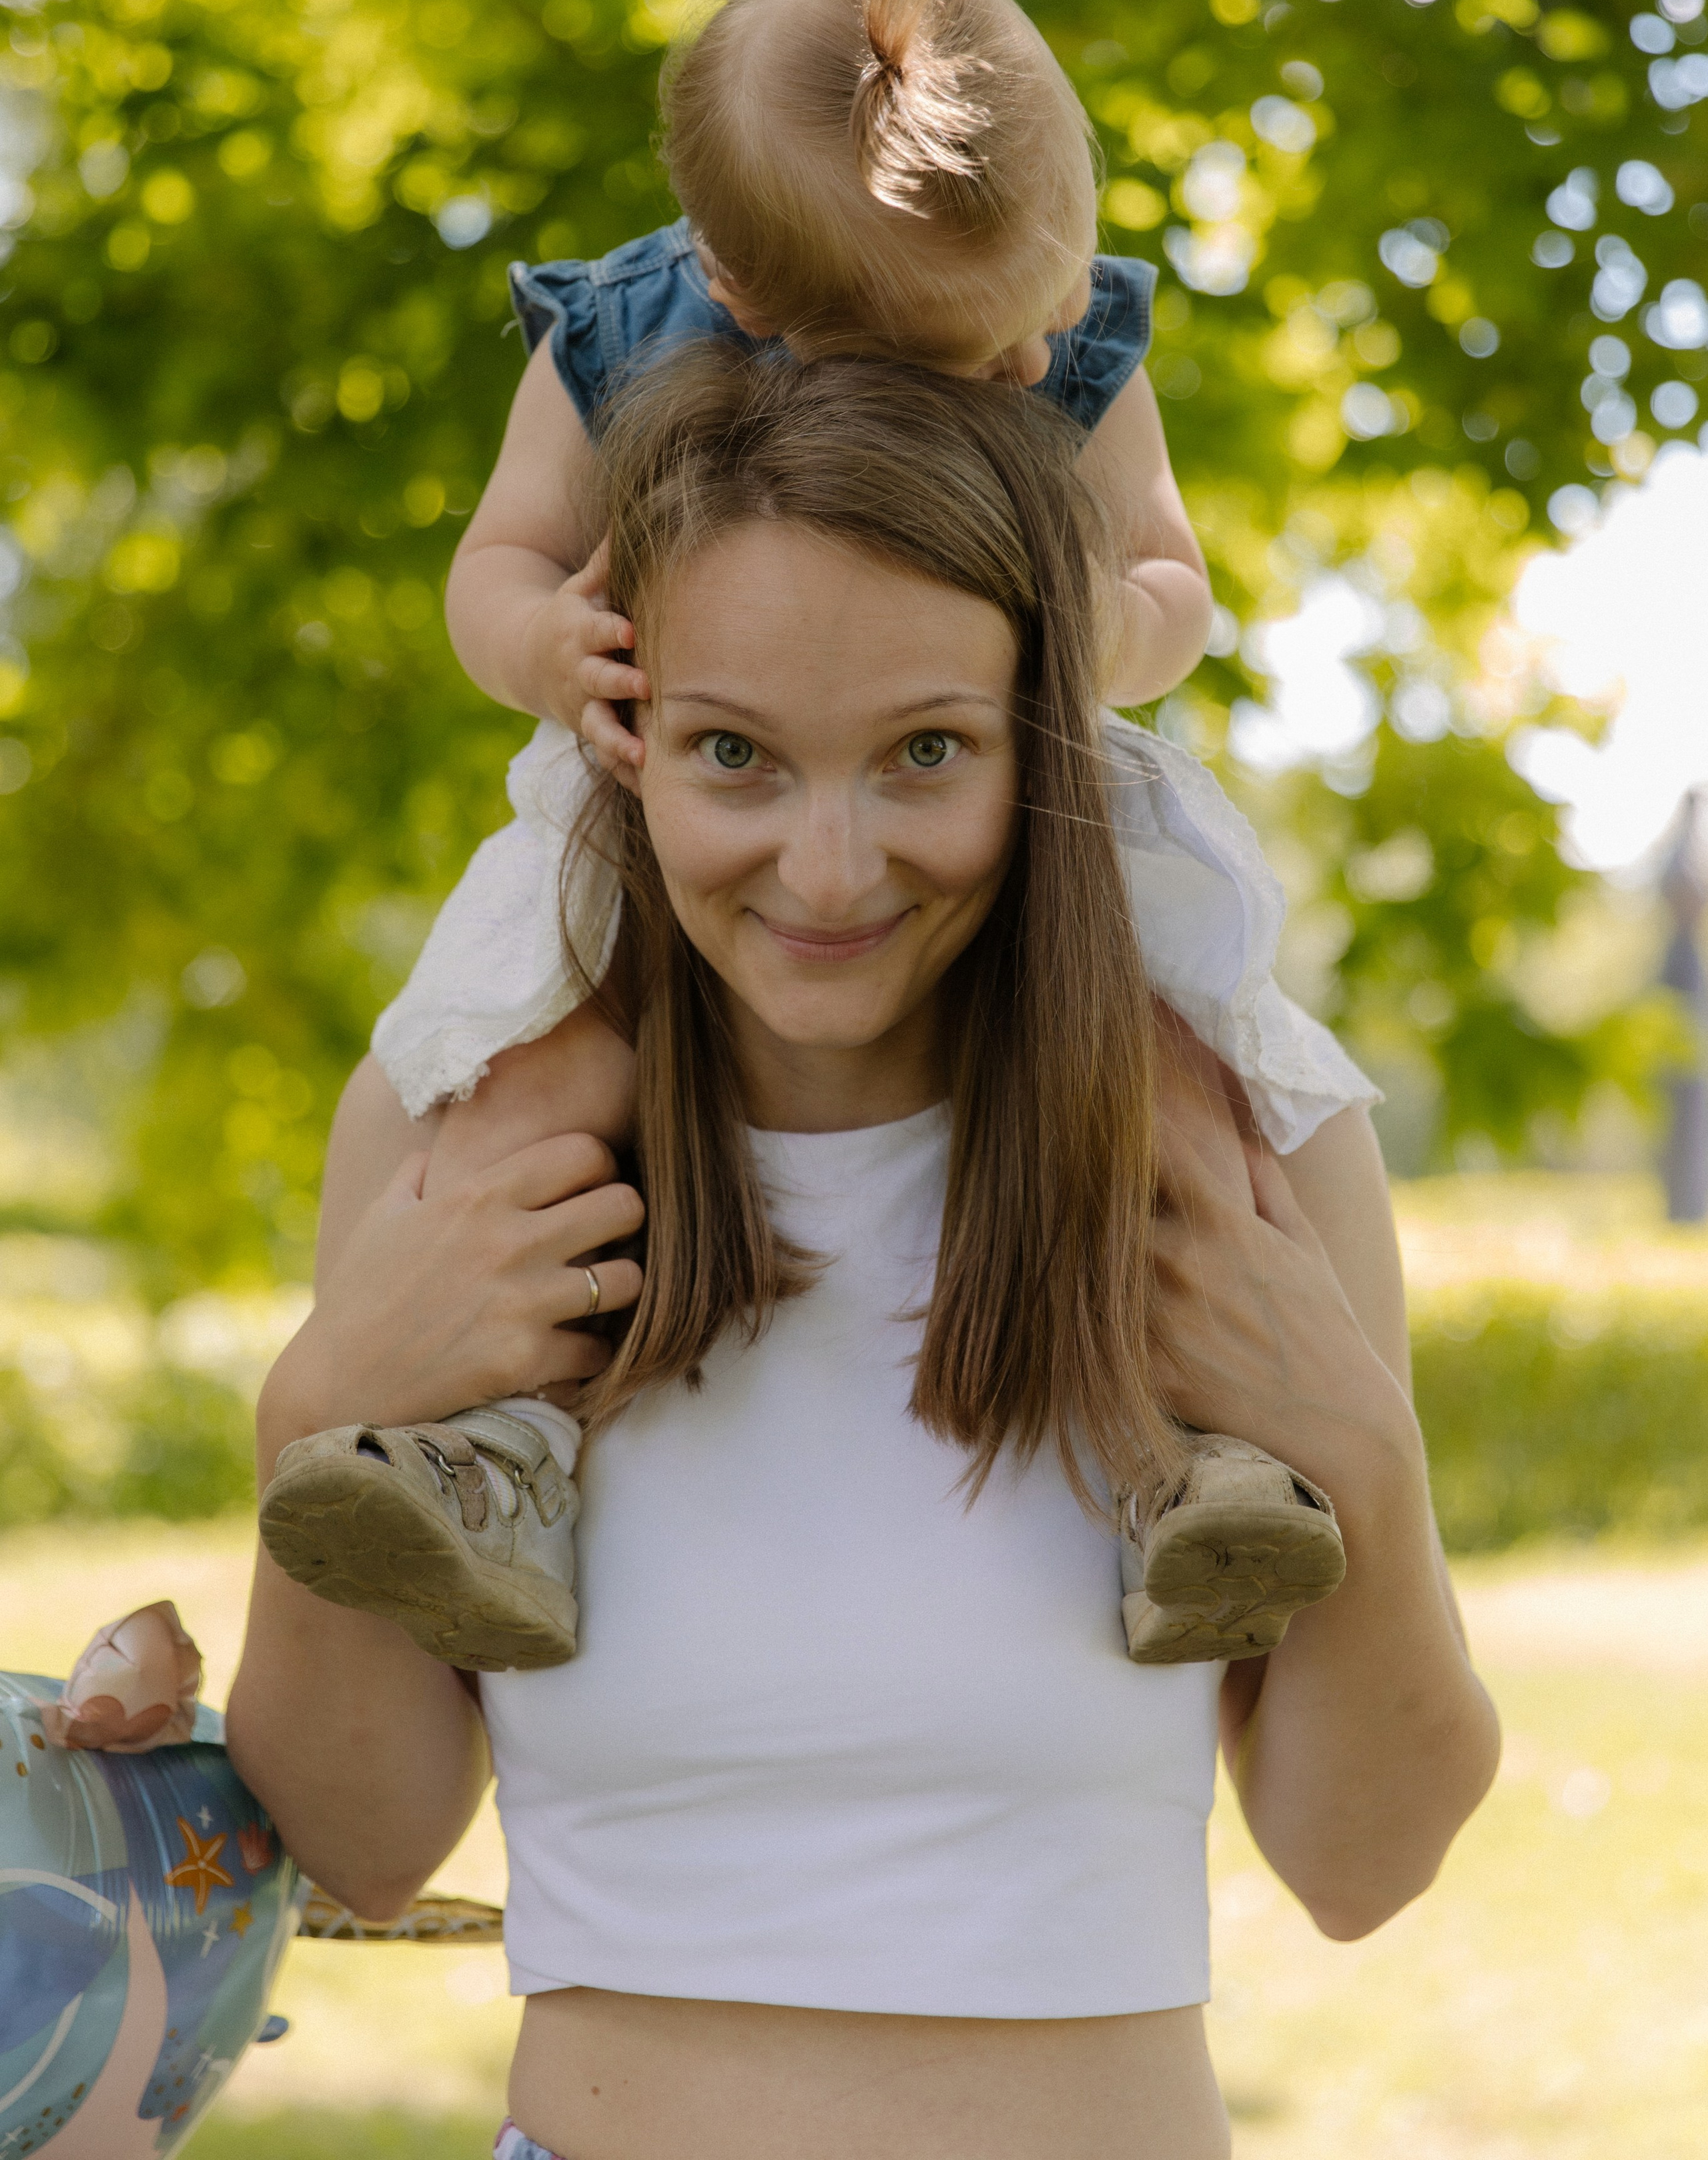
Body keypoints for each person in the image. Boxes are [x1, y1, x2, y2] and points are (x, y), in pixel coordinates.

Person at [228, 348, 1499, 2160]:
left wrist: (1362, 1455)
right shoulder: (467, 1141)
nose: (826, 872)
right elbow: (361, 1841)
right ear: (623, 732)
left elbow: (1363, 1863)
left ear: (1043, 740)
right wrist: (328, 1401)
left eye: (926, 752)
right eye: (733, 752)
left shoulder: (1237, 1151)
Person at [256, 0, 1378, 1672]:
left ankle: (1200, 1471)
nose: (1026, 374)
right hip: (653, 768)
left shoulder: (1044, 313)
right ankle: (489, 1460)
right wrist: (551, 645)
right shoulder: (617, 337)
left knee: (1176, 1057)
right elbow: (497, 565)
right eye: (971, 361)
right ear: (751, 299)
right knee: (522, 1062)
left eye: (1033, 332)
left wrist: (1094, 629)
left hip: (1021, 759)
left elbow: (1174, 577)